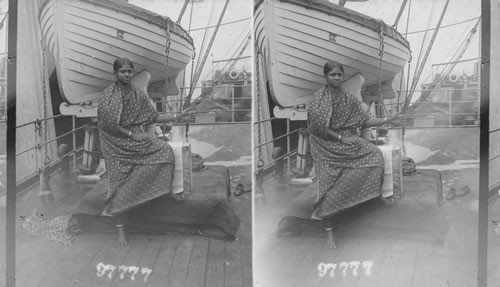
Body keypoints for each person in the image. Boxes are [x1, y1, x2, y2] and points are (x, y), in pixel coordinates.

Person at [97, 57, 192, 246]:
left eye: (129, 71)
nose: (126, 74)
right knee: (118, 186)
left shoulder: (138, 94)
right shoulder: (108, 95)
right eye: (122, 71)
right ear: (115, 73)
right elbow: (109, 125)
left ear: (133, 73)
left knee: (165, 151)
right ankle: (120, 230)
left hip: (137, 139)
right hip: (116, 143)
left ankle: (164, 190)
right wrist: (132, 134)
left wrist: (177, 116)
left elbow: (153, 115)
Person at [307, 61, 401, 249]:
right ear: (325, 77)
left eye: (339, 75)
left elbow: (363, 121)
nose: (336, 78)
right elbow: (318, 128)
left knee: (375, 155)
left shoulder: (347, 97)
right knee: (328, 186)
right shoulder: (319, 98)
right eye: (332, 75)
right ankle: (330, 234)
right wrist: (341, 138)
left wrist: (387, 119)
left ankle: (375, 195)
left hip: (349, 140)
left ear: (343, 76)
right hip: (326, 145)